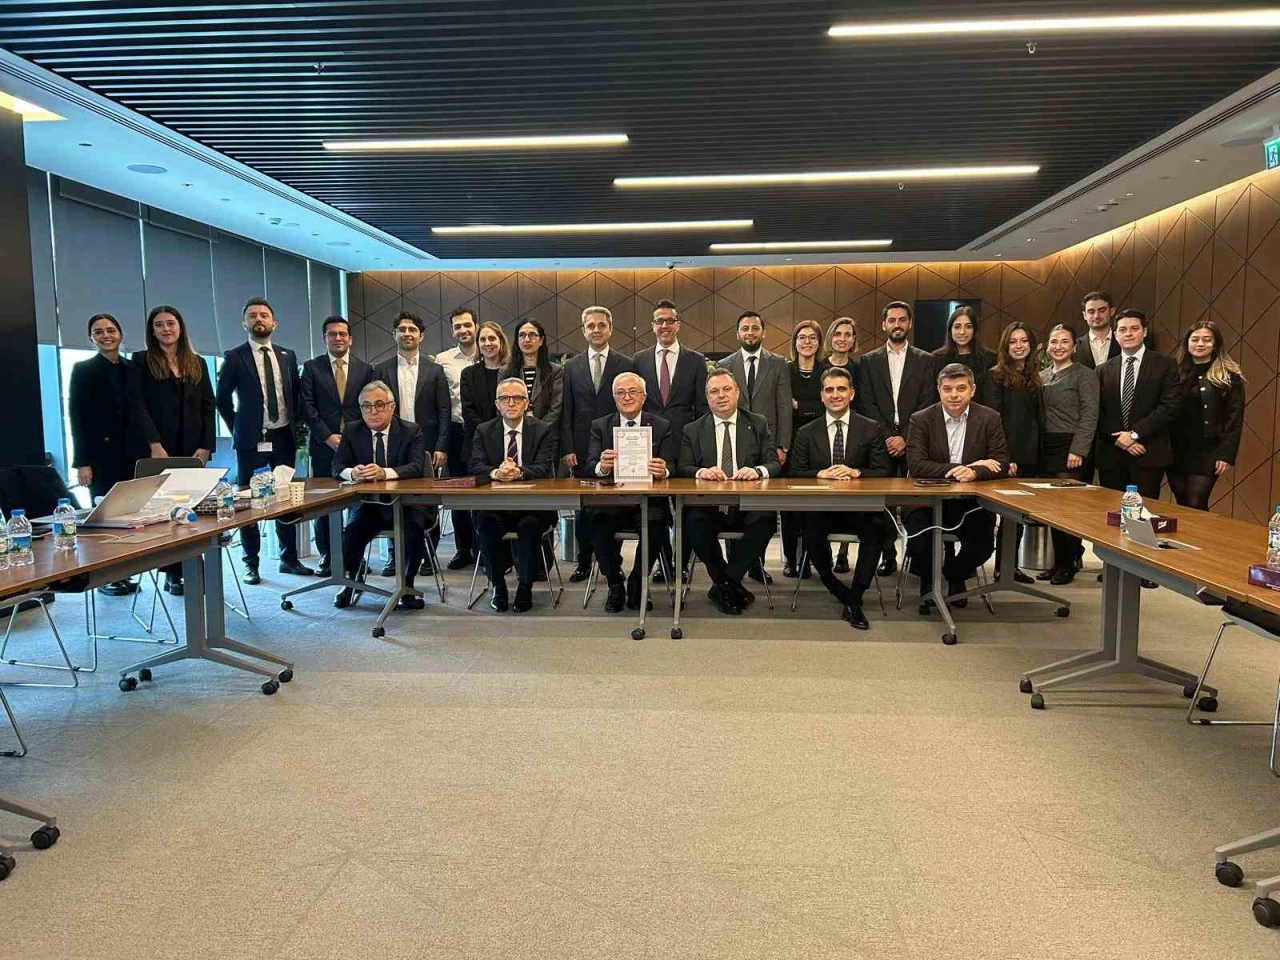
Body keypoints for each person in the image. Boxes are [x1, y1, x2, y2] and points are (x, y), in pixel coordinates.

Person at [215, 297, 313, 584]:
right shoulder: (235, 357)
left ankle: (289, 559)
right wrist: (239, 428)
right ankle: (251, 563)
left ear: (274, 323)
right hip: (251, 441)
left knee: (285, 498)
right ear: (244, 323)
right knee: (250, 502)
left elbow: (294, 394)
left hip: (282, 438)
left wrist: (296, 427)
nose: (259, 319)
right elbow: (222, 399)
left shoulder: (287, 355)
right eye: (252, 315)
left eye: (264, 315)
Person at [789, 366, 890, 630]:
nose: (835, 395)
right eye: (829, 390)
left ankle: (855, 594)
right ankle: (836, 587)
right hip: (821, 510)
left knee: (877, 527)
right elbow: (795, 472)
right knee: (810, 529)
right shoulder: (806, 432)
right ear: (822, 395)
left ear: (852, 393)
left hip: (860, 510)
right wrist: (819, 473)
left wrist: (857, 472)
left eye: (841, 389)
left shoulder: (870, 428)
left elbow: (883, 471)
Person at [903, 363, 1009, 613]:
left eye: (961, 388)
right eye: (948, 389)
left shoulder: (989, 418)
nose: (954, 395)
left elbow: (1001, 462)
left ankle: (954, 574)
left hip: (970, 502)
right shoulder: (921, 419)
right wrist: (966, 467)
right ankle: (929, 582)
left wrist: (976, 472)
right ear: (939, 389)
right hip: (926, 500)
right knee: (920, 542)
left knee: (982, 544)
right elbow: (916, 465)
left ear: (972, 390)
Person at [676, 369, 781, 616]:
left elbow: (774, 463)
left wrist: (757, 471)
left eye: (726, 389)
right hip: (709, 505)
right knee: (693, 522)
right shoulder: (693, 429)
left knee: (765, 520)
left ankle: (724, 584)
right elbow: (683, 466)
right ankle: (729, 585)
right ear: (707, 397)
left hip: (746, 504)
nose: (721, 395)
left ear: (737, 393)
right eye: (714, 391)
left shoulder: (757, 423)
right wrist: (701, 472)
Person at [69, 312, 157, 596]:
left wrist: (153, 444)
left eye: (110, 330)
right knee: (105, 518)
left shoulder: (133, 369)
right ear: (91, 338)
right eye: (98, 332)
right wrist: (81, 462)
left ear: (120, 335)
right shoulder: (83, 370)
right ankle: (105, 577)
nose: (106, 336)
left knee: (130, 516)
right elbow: (77, 417)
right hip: (101, 455)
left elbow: (142, 409)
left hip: (132, 452)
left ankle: (124, 572)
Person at [133, 305, 217, 595]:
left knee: (192, 506)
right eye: (159, 325)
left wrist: (206, 446)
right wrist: (154, 444)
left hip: (193, 447)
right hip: (161, 447)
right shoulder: (141, 361)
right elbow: (138, 406)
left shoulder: (197, 362)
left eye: (170, 323)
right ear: (152, 330)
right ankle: (172, 571)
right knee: (164, 511)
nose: (166, 329)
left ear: (180, 327)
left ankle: (194, 564)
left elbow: (208, 406)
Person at [331, 381, 429, 612]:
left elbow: (417, 467)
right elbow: (337, 467)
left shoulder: (411, 430)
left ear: (392, 407)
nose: (373, 411)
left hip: (407, 503)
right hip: (370, 504)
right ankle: (352, 582)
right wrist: (352, 472)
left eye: (379, 405)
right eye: (366, 406)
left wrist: (385, 473)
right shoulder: (352, 431)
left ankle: (407, 587)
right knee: (351, 532)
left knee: (413, 532)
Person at [583, 372, 676, 612]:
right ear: (614, 398)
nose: (627, 397)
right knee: (595, 521)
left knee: (656, 524)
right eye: (620, 393)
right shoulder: (600, 426)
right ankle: (615, 583)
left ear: (644, 397)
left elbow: (673, 466)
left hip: (648, 501)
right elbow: (589, 466)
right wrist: (602, 467)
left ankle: (637, 581)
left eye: (633, 392)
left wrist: (663, 470)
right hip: (612, 501)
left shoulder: (661, 425)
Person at [632, 298, 708, 582]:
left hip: (686, 445)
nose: (664, 325)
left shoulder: (695, 360)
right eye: (659, 321)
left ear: (678, 325)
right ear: (652, 326)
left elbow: (702, 407)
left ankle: (682, 563)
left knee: (686, 507)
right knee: (656, 508)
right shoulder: (638, 360)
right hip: (651, 446)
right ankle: (662, 563)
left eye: (669, 320)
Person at [857, 301, 935, 576]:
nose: (897, 324)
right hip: (881, 441)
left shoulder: (926, 360)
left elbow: (928, 401)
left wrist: (906, 438)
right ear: (884, 325)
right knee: (883, 502)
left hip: (916, 440)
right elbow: (866, 401)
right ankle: (887, 555)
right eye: (892, 320)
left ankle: (916, 555)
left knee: (917, 500)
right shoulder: (869, 361)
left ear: (910, 324)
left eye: (902, 319)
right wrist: (889, 436)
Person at [470, 378, 560, 613]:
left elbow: (544, 467)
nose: (511, 403)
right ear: (497, 404)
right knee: (486, 525)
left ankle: (525, 587)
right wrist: (496, 472)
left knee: (529, 527)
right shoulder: (483, 430)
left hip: (533, 506)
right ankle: (498, 586)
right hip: (495, 506)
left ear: (527, 403)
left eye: (517, 398)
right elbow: (475, 464)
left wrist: (518, 472)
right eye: (505, 398)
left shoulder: (542, 430)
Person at [560, 305, 634, 582]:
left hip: (616, 445)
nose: (596, 330)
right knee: (584, 509)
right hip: (581, 449)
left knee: (613, 506)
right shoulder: (571, 366)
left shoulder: (625, 363)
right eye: (591, 326)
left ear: (610, 329)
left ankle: (612, 561)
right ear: (583, 330)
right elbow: (566, 410)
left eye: (601, 325)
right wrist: (568, 447)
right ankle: (583, 562)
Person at [374, 312, 449, 576]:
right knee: (392, 498)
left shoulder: (435, 370)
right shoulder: (381, 370)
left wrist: (441, 446)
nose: (407, 333)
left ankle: (428, 556)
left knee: (428, 499)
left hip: (427, 444)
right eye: (402, 329)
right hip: (392, 444)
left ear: (421, 336)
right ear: (394, 334)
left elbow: (444, 410)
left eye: (412, 329)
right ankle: (395, 556)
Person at [719, 310, 791, 584]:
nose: (750, 332)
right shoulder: (725, 364)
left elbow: (784, 406)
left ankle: (756, 564)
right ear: (737, 333)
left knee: (760, 508)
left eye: (755, 328)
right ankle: (734, 563)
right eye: (745, 328)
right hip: (733, 442)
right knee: (731, 506)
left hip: (766, 445)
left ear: (763, 332)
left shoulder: (778, 363)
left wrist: (783, 445)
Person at [299, 315, 374, 578]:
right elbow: (307, 406)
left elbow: (369, 405)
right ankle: (328, 556)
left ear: (350, 339)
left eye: (343, 334)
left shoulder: (365, 369)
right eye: (332, 334)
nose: (338, 338)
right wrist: (327, 436)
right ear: (324, 339)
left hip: (357, 446)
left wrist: (353, 438)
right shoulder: (312, 368)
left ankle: (354, 557)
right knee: (325, 503)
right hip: (323, 446)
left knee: (358, 502)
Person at [1094, 309, 1182, 500]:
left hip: (1148, 451)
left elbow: (1170, 406)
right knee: (1109, 510)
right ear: (1115, 334)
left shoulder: (1165, 365)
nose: (1128, 334)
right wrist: (1120, 439)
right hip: (1112, 454)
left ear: (1145, 331)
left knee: (1144, 510)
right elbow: (1097, 411)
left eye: (1134, 329)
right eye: (1123, 329)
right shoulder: (1102, 370)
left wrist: (1134, 434)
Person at [1038, 324, 1099, 584]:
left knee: (1068, 508)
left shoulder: (1085, 375)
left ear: (1075, 346)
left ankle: (1070, 561)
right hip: (1046, 446)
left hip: (1071, 446)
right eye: (1054, 341)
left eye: (1065, 342)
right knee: (1052, 509)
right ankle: (1059, 560)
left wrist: (1078, 449)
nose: (1059, 346)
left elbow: (1090, 414)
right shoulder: (1041, 375)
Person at [983, 321, 1042, 584]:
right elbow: (995, 421)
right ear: (1005, 346)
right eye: (1013, 342)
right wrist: (1006, 458)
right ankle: (1002, 568)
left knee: (1019, 514)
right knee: (1007, 514)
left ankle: (1012, 566)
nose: (1019, 346)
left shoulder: (1035, 375)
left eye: (1024, 341)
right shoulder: (995, 376)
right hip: (1010, 457)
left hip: (1032, 455)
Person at [1167, 320, 1245, 510]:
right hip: (1176, 448)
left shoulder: (1229, 376)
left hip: (1208, 450)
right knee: (1182, 502)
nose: (1200, 344)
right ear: (1187, 343)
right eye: (1195, 339)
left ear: (1216, 344)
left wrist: (1226, 454)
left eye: (1207, 340)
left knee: (1196, 502)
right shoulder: (1174, 372)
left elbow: (1234, 418)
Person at [433, 306, 480, 570]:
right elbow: (441, 402)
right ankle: (464, 550)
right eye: (457, 326)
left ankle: (486, 548)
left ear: (476, 326)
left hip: (485, 435)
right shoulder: (443, 360)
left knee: (486, 491)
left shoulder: (490, 353)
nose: (463, 330)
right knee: (459, 493)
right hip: (456, 432)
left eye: (467, 325)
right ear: (452, 331)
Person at [781, 320, 827, 579]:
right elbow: (781, 406)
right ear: (795, 342)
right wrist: (813, 406)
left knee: (815, 506)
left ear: (819, 343)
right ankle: (790, 558)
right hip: (790, 444)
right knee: (789, 507)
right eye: (802, 337)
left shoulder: (827, 371)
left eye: (812, 337)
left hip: (820, 445)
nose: (807, 342)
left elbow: (831, 404)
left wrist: (800, 406)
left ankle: (812, 558)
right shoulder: (784, 370)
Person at [823, 316, 859, 573]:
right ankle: (823, 554)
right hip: (821, 435)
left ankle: (843, 553)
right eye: (838, 333)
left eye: (848, 334)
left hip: (853, 435)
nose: (842, 338)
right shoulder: (820, 366)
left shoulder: (861, 367)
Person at [461, 321, 512, 453]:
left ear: (501, 342)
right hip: (477, 442)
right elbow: (468, 411)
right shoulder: (468, 374)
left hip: (509, 441)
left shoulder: (513, 372)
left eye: (492, 338)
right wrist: (489, 434)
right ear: (478, 344)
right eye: (482, 339)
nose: (487, 343)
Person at [505, 317, 564, 431]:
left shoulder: (555, 371)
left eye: (532, 335)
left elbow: (556, 408)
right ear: (517, 340)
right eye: (522, 335)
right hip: (515, 432)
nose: (527, 339)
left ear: (541, 340)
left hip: (546, 433)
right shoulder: (506, 371)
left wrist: (539, 431)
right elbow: (503, 404)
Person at [931, 305, 997, 406]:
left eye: (968, 326)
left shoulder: (989, 358)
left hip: (980, 414)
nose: (962, 332)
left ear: (975, 330)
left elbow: (992, 397)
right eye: (957, 327)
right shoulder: (936, 358)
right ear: (950, 330)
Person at [1075, 291, 1121, 370]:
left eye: (1102, 311)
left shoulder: (1124, 342)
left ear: (1112, 311)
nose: (1096, 316)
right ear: (1084, 315)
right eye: (1091, 312)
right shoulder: (1075, 346)